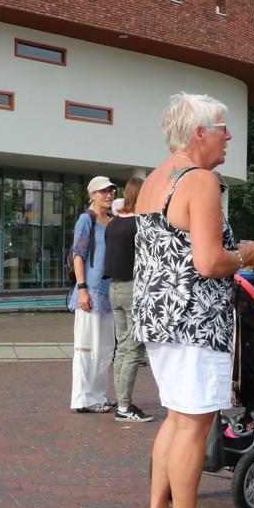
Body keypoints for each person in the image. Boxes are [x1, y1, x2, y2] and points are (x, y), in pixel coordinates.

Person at [133, 92, 254, 508]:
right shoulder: (201, 180)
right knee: (192, 424)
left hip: (159, 315)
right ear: (199, 133)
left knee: (175, 419)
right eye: (223, 128)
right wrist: (245, 255)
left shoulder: (155, 179)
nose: (229, 136)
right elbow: (209, 262)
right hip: (195, 320)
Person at [105, 176, 153, 423]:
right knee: (133, 349)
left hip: (114, 288)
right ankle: (124, 406)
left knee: (122, 347)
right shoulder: (140, 223)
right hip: (134, 288)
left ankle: (121, 400)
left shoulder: (113, 224)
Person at [70, 176, 118, 414]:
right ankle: (82, 399)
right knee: (86, 347)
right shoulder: (85, 219)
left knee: (105, 349)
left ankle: (97, 395)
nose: (108, 195)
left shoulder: (113, 221)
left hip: (109, 293)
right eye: (102, 192)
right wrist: (82, 289)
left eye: (110, 191)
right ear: (92, 195)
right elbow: (78, 254)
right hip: (90, 292)